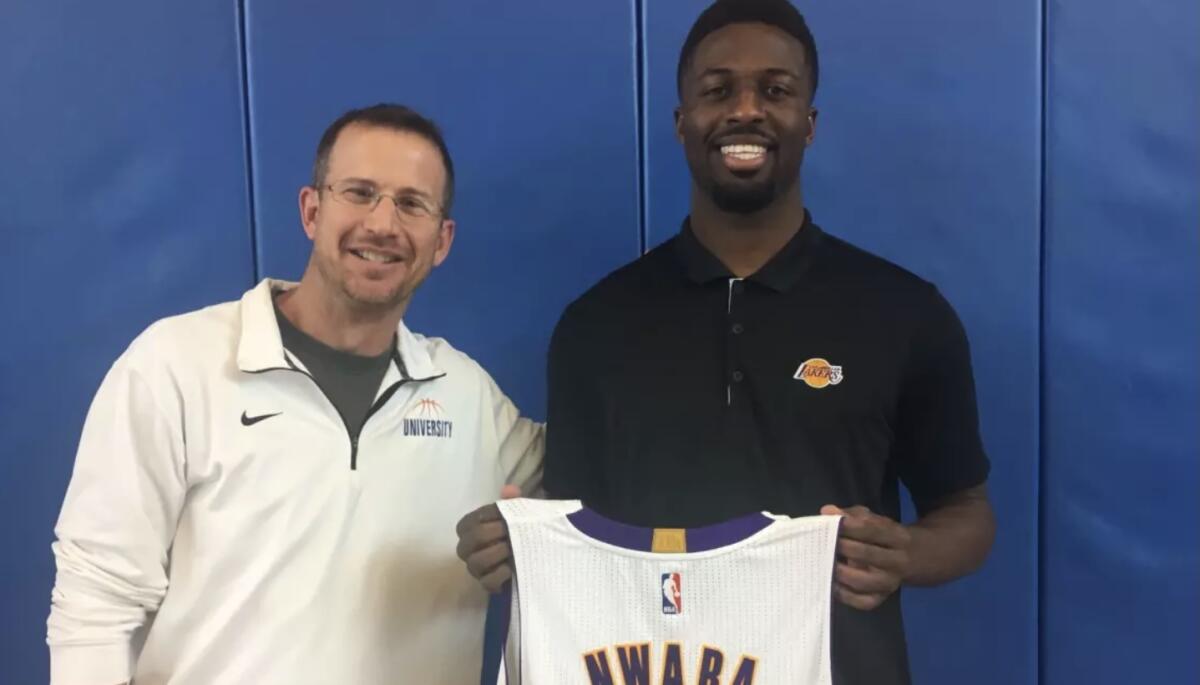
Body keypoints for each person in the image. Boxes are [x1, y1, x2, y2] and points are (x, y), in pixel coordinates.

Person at [456, 2, 995, 683]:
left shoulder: (905, 312)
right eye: (717, 90)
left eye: (776, 90)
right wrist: (518, 546)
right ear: (683, 124)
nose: (746, 110)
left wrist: (906, 553)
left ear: (810, 122)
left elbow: (969, 514)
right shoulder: (595, 324)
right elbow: (575, 532)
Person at [47, 104, 543, 685]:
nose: (382, 224)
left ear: (442, 240)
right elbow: (97, 601)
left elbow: (597, 499)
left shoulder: (465, 395)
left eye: (412, 204)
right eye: (359, 193)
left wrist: (531, 543)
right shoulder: (175, 366)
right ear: (311, 211)